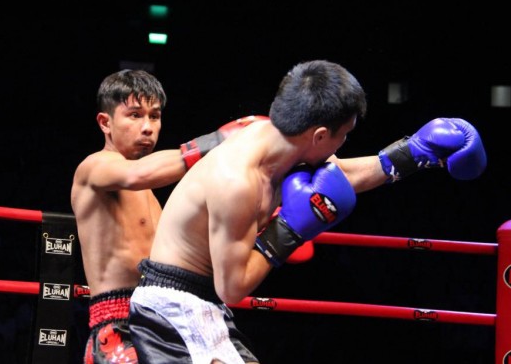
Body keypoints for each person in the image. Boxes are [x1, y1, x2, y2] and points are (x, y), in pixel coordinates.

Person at [128, 59, 487, 364]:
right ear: (319, 136)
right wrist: (289, 228)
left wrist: (411, 155)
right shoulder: (237, 183)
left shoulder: (276, 137)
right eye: (344, 134)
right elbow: (233, 288)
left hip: (202, 303)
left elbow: (339, 176)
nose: (343, 143)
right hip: (173, 310)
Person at [71, 69, 278, 364]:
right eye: (134, 115)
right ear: (105, 122)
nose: (147, 127)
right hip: (119, 325)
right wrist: (218, 140)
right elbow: (137, 174)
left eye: (154, 116)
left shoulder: (152, 195)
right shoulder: (94, 168)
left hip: (169, 311)